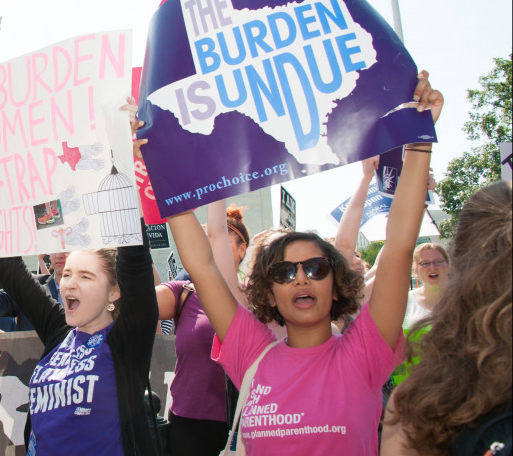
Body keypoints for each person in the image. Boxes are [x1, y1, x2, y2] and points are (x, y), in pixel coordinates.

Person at [156, 72, 441, 455]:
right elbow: (203, 264)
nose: (301, 278)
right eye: (284, 272)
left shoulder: (365, 352)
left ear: (336, 283)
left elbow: (399, 247)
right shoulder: (250, 352)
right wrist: (157, 159)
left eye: (316, 268)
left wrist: (420, 141)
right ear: (268, 293)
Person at [0, 216, 159, 455]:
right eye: (67, 274)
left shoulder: (126, 340)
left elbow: (135, 262)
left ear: (114, 292)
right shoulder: (59, 330)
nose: (69, 284)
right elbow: (9, 269)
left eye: (85, 276)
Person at [381, 181, 512, 456]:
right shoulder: (415, 400)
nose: (432, 268)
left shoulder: (411, 403)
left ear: (457, 261)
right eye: (425, 263)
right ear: (417, 270)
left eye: (437, 262)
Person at [155, 200, 248, 456]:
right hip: (187, 424)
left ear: (243, 250)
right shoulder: (182, 293)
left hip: (246, 424)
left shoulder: (260, 300)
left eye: (219, 244)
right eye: (205, 245)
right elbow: (138, 305)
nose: (212, 252)